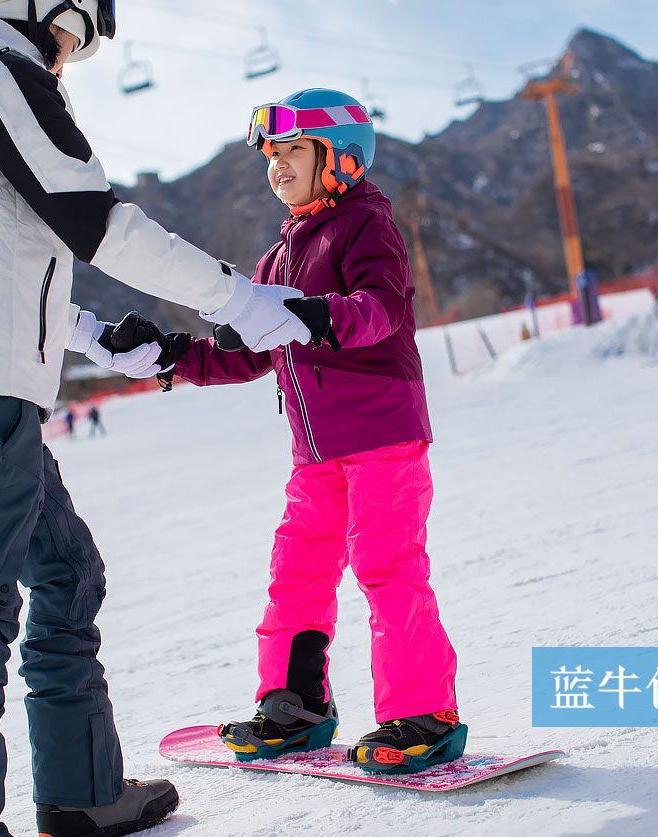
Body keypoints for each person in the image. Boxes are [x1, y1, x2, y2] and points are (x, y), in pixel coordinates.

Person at [0, 3, 309, 836]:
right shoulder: (1, 74)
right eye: (76, 36)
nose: (70, 56)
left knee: (67, 572)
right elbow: (97, 223)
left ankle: (83, 793)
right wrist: (239, 300)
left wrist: (93, 335)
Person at [150, 89, 464, 774]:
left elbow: (378, 309)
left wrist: (315, 315)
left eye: (294, 150)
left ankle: (424, 712)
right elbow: (247, 355)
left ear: (342, 158)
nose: (278, 165)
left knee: (387, 567)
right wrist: (173, 355)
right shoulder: (277, 259)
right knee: (297, 573)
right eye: (272, 154)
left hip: (381, 433)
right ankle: (295, 705)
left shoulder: (365, 226)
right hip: (315, 453)